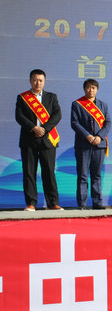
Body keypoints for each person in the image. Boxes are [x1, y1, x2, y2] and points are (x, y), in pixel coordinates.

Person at [15, 69, 63, 211]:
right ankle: (31, 203)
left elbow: (57, 115)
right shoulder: (23, 98)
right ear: (30, 81)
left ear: (44, 81)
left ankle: (53, 203)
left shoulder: (51, 97)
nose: (38, 83)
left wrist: (44, 129)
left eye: (41, 80)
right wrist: (33, 128)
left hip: (47, 139)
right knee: (29, 172)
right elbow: (19, 116)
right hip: (29, 139)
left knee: (49, 172)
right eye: (35, 80)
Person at [71, 78, 111, 209]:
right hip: (83, 144)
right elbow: (74, 123)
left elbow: (107, 123)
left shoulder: (103, 105)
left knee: (96, 175)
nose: (91, 90)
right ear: (84, 89)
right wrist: (87, 136)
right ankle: (82, 204)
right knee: (82, 175)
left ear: (97, 90)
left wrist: (99, 136)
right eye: (88, 87)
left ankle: (97, 203)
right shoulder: (77, 104)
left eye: (93, 88)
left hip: (99, 145)